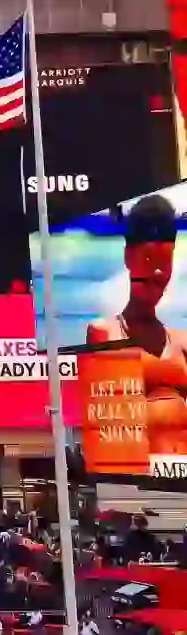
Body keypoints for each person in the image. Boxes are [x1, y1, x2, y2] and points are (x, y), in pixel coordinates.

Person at [86, 194, 187, 456]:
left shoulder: (181, 341)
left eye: (165, 261)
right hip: (132, 488)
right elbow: (121, 374)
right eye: (149, 259)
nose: (157, 273)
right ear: (128, 258)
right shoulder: (104, 332)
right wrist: (177, 374)